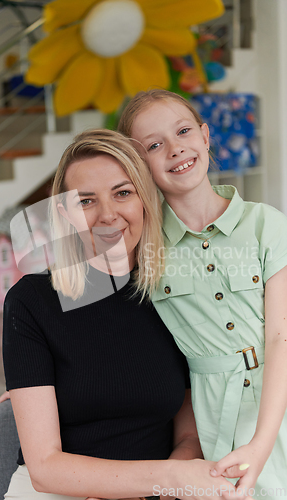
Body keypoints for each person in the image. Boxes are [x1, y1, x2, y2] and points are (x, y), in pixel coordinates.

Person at [2, 129, 243, 500]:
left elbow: (189, 434)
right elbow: (45, 468)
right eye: (86, 201)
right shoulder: (31, 301)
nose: (108, 215)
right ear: (65, 214)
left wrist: (167, 485)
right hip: (62, 492)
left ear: (145, 200)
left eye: (123, 193)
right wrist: (168, 478)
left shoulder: (174, 294)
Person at [118, 89, 287, 499]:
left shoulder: (265, 223)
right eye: (155, 145)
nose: (175, 149)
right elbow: (79, 306)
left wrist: (263, 443)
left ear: (206, 136)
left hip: (276, 396)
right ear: (140, 165)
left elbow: (280, 338)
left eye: (183, 131)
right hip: (212, 415)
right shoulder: (144, 246)